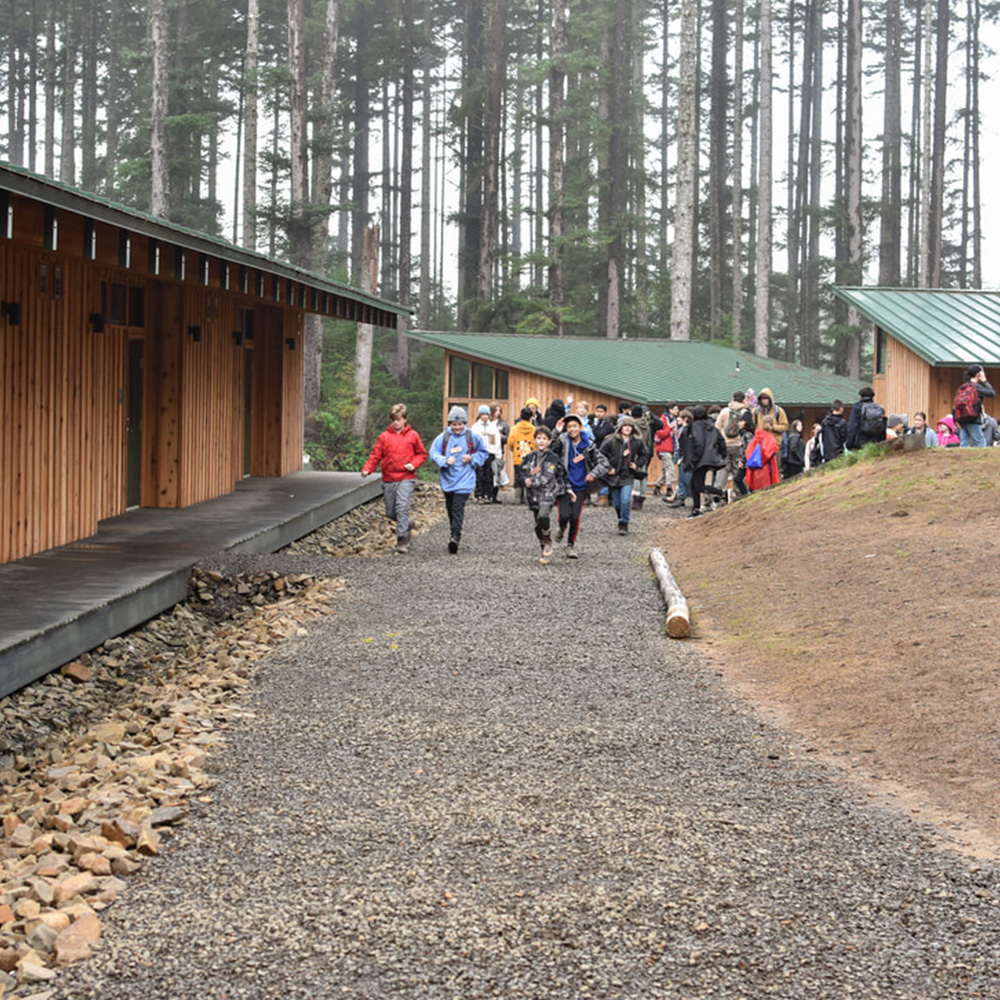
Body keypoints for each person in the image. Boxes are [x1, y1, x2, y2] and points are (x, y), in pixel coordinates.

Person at [360, 403, 428, 554]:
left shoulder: (413, 435)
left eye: (399, 419)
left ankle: (402, 540)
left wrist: (413, 464)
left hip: (406, 477)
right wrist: (367, 469)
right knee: (391, 512)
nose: (396, 422)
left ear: (405, 419)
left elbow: (422, 454)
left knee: (402, 507)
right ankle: (407, 523)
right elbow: (375, 455)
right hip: (389, 479)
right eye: (393, 419)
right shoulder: (384, 437)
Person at [429, 406, 489, 554]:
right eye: (454, 424)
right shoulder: (443, 437)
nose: (457, 427)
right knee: (450, 508)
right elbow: (433, 453)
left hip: (465, 479)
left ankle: (455, 537)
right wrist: (444, 460)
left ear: (465, 423)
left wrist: (472, 458)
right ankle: (453, 531)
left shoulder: (472, 436)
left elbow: (483, 453)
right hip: (448, 480)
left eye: (460, 424)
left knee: (457, 508)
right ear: (449, 423)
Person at [552, 412, 610, 558]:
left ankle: (570, 545)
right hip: (564, 484)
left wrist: (593, 474)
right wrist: (555, 432)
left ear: (580, 427)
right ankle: (561, 527)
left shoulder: (588, 445)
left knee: (575, 517)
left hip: (580, 486)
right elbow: (550, 451)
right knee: (564, 515)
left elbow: (604, 463)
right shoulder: (562, 440)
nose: (572, 429)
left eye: (575, 426)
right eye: (569, 426)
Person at [522, 424, 571, 565]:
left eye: (544, 438)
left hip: (549, 493)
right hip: (533, 494)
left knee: (543, 515)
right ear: (535, 440)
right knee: (538, 525)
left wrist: (568, 489)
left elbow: (563, 475)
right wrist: (524, 479)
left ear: (549, 441)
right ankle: (544, 550)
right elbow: (521, 473)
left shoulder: (554, 458)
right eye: (539, 438)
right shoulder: (529, 458)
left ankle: (548, 539)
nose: (542, 441)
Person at [599, 415, 647, 534]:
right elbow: (600, 455)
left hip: (628, 475)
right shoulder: (611, 441)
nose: (627, 428)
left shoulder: (636, 441)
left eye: (629, 426)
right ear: (620, 427)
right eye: (625, 426)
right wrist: (608, 468)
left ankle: (624, 523)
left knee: (625, 499)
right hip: (614, 476)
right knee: (616, 503)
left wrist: (637, 464)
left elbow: (644, 454)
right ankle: (621, 516)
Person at [685, 406, 728, 518]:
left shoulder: (694, 427)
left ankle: (722, 493)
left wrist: (693, 459)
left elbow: (698, 444)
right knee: (694, 485)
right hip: (710, 458)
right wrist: (720, 455)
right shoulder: (712, 426)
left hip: (700, 459)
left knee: (698, 486)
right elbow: (722, 442)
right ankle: (696, 509)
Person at [953, 364, 995, 448]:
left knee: (964, 442)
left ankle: (961, 459)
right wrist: (984, 380)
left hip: (961, 418)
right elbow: (992, 393)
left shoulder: (963, 387)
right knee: (981, 441)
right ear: (978, 374)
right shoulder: (976, 387)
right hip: (973, 418)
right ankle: (982, 459)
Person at [716, 392, 750, 498]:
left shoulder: (725, 411)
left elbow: (717, 427)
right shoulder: (745, 412)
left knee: (723, 468)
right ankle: (738, 492)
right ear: (743, 400)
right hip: (739, 444)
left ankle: (718, 491)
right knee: (738, 469)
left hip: (725, 444)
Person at [472, 405, 502, 503]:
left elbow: (497, 440)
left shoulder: (493, 427)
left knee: (489, 474)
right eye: (482, 414)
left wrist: (498, 453)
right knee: (479, 474)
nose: (484, 417)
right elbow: (472, 441)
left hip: (490, 452)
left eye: (486, 414)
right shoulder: (475, 427)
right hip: (479, 453)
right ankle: (479, 495)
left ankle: (488, 495)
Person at [507, 408, 537, 504]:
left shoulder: (515, 428)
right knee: (529, 476)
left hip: (518, 457)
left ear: (520, 416)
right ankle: (529, 498)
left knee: (518, 477)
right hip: (530, 458)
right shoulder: (533, 429)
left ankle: (518, 499)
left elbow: (510, 443)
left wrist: (515, 450)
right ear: (530, 417)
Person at [744, 415, 781, 491]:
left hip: (755, 469)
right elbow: (768, 454)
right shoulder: (770, 438)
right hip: (766, 470)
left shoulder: (757, 436)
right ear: (772, 424)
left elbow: (748, 451)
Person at [652, 404, 679, 497]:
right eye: (675, 409)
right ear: (670, 410)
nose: (677, 411)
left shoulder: (674, 420)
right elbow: (660, 433)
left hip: (672, 447)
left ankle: (658, 487)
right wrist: (669, 428)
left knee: (666, 469)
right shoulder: (662, 420)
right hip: (664, 447)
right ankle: (669, 488)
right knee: (670, 468)